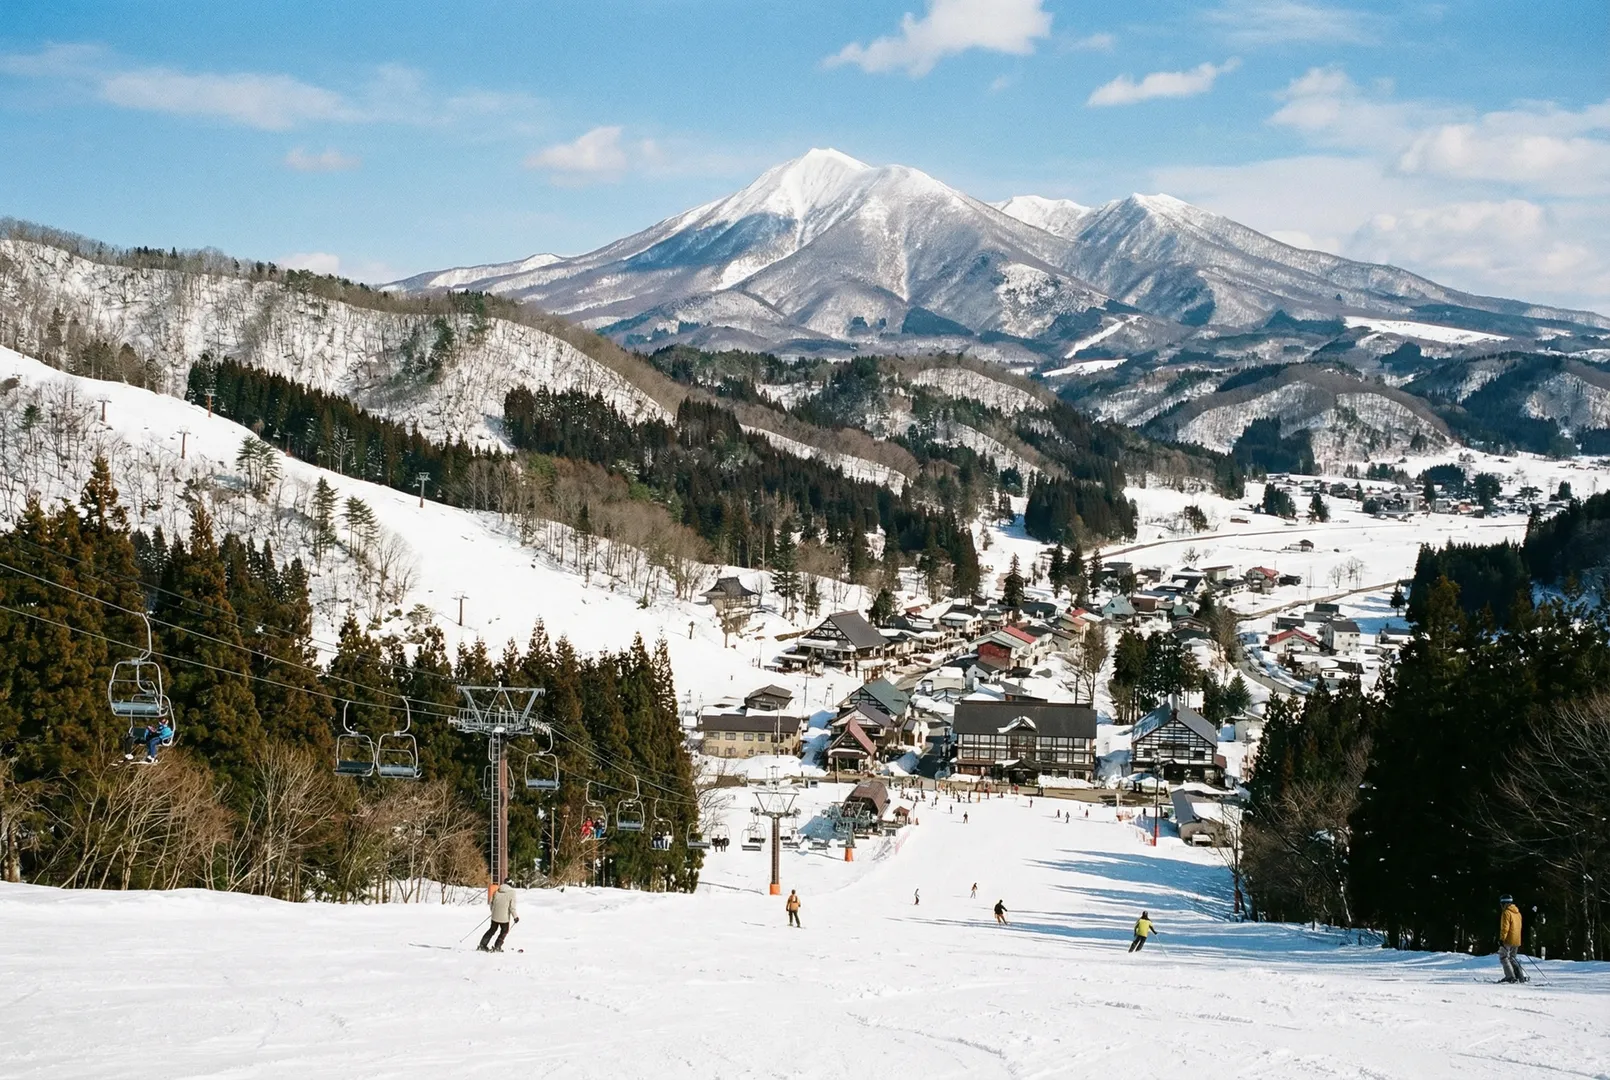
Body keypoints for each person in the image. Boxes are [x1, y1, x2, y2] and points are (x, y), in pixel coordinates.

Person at [478, 879, 519, 952]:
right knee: (504, 931)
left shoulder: (497, 891)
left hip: (494, 916)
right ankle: (497, 946)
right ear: (511, 884)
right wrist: (515, 917)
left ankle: (482, 945)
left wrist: (493, 912)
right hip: (504, 918)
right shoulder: (512, 893)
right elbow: (512, 907)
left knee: (492, 930)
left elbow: (491, 903)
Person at [1497, 894, 1528, 983]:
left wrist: (1502, 939)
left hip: (1508, 939)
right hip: (1517, 939)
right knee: (1512, 958)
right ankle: (1520, 976)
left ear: (1504, 903)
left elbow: (1505, 927)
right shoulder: (1518, 913)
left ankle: (1510, 977)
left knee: (1504, 957)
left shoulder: (1506, 912)